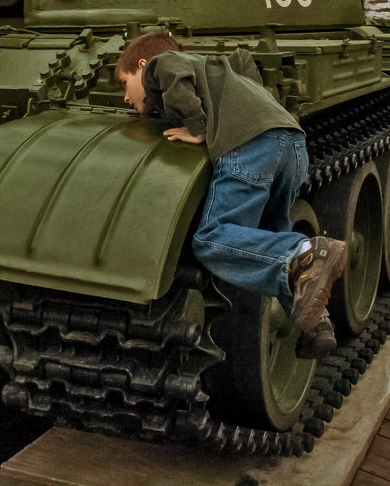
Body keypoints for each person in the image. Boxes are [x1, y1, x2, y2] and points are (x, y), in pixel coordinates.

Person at [115, 31, 347, 358]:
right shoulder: (219, 68)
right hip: (292, 145)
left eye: (125, 83)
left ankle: (309, 252)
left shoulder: (160, 63)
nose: (125, 97)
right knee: (267, 243)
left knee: (211, 238)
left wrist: (197, 129)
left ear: (141, 65)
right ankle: (317, 324)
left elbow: (171, 74)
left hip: (250, 146)